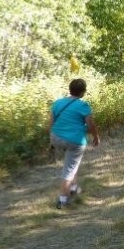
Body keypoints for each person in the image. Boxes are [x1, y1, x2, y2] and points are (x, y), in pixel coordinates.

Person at [49, 78, 100, 208]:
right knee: (69, 169)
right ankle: (62, 200)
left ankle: (74, 188)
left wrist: (53, 139)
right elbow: (90, 125)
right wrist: (95, 136)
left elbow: (51, 123)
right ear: (83, 92)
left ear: (70, 89)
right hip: (74, 141)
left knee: (72, 162)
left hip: (56, 138)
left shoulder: (58, 103)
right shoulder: (83, 106)